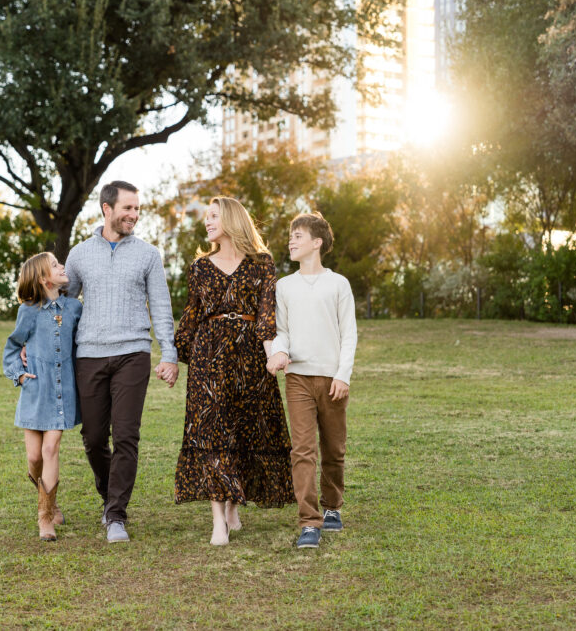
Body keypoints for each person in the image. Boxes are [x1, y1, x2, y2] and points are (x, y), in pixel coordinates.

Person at [173, 196, 294, 546]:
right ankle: (218, 522)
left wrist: (274, 354)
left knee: (242, 431)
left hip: (250, 356)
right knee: (213, 432)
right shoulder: (200, 266)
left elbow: (268, 315)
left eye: (213, 216)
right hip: (208, 356)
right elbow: (192, 314)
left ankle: (233, 505)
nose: (207, 222)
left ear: (231, 219)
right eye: (206, 217)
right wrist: (174, 358)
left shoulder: (261, 264)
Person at [64, 180, 179, 544]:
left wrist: (170, 353)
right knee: (94, 437)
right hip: (89, 355)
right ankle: (107, 495)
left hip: (133, 353)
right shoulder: (80, 254)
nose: (134, 215)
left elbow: (161, 307)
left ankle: (116, 514)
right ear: (107, 209)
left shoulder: (148, 254)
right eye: (127, 208)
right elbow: (63, 307)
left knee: (126, 435)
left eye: (137, 209)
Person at [266, 212, 357, 549]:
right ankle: (309, 521)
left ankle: (332, 506)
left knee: (333, 448)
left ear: (317, 242)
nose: (292, 241)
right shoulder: (284, 286)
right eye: (291, 236)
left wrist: (342, 375)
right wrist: (279, 353)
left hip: (332, 379)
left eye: (299, 235)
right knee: (302, 450)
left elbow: (349, 335)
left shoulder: (339, 284)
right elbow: (283, 331)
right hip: (298, 379)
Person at [3, 252, 83, 542]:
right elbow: (12, 347)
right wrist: (19, 374)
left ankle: (45, 518)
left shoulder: (74, 308)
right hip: (35, 391)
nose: (62, 266)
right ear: (43, 278)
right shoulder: (29, 311)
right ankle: (50, 499)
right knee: (34, 456)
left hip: (62, 391)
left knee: (51, 450)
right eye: (55, 265)